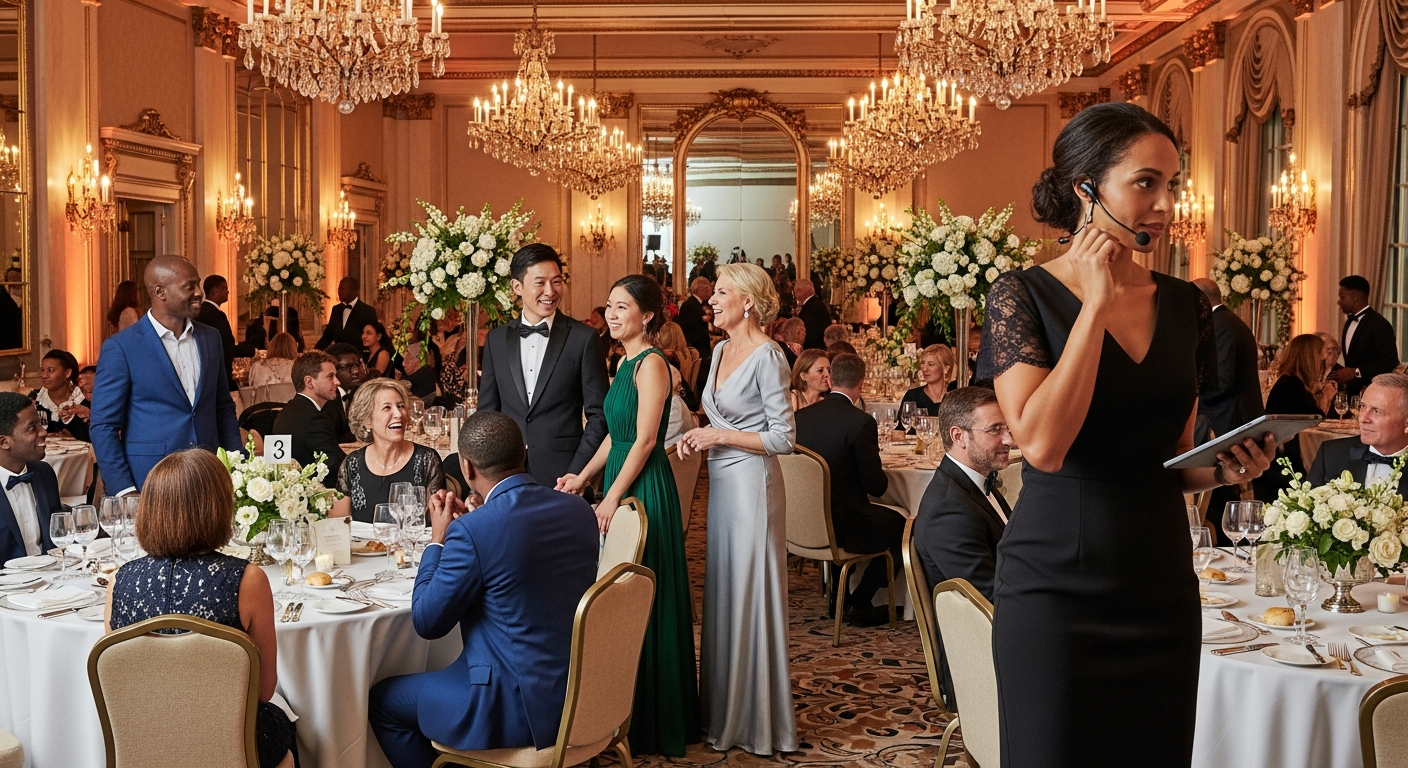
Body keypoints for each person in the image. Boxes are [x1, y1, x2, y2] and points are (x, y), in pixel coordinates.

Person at [979, 103, 1274, 767]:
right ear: (1087, 188)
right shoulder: (1019, 296)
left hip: (1161, 586)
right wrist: (1095, 304)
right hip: (1055, 593)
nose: (1166, 204)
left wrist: (1224, 469)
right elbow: (1044, 447)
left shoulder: (1185, 305)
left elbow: (1166, 462)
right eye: (1146, 183)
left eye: (1173, 184)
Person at [368, 411, 598, 768]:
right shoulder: (579, 510)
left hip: (509, 705)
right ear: (523, 452)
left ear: (467, 468)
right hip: (580, 691)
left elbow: (428, 622)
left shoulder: (473, 531)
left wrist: (439, 541)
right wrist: (478, 520)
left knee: (383, 702)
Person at [556, 275, 700, 756]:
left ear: (648, 316)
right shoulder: (622, 362)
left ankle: (655, 720)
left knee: (642, 593)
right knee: (615, 593)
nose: (612, 315)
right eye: (610, 306)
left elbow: (643, 441)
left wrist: (612, 496)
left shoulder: (654, 364)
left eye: (623, 308)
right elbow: (612, 437)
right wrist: (581, 477)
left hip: (645, 487)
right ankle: (618, 711)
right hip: (620, 475)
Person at [104, 449, 298, 768]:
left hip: (143, 743)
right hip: (232, 746)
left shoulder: (119, 581)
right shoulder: (248, 580)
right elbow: (263, 692)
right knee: (288, 727)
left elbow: (122, 686)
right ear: (221, 508)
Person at [678, 262, 797, 755]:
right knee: (725, 590)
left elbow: (784, 438)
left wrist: (718, 435)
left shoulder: (769, 355)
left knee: (751, 591)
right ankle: (725, 715)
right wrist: (697, 434)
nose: (711, 300)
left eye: (721, 292)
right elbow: (720, 414)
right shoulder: (721, 348)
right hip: (723, 485)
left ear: (748, 301)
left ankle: (760, 723)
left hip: (753, 486)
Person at [91, 255, 242, 494]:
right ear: (160, 292)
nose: (199, 293)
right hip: (150, 480)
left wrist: (238, 465)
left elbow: (222, 406)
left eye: (198, 285)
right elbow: (103, 426)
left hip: (208, 475)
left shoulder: (210, 337)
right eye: (189, 286)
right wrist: (124, 489)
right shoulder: (122, 347)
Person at [913, 386, 1013, 707]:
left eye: (1007, 426)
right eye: (995, 430)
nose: (1009, 439)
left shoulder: (975, 483)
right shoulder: (950, 509)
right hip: (980, 661)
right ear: (959, 436)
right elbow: (990, 602)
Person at [478, 244, 609, 489]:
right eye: (540, 282)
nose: (550, 291)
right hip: (506, 475)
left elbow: (599, 415)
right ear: (517, 287)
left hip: (563, 475)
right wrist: (486, 477)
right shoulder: (496, 340)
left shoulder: (583, 338)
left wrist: (577, 472)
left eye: (556, 282)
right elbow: (487, 414)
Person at [795, 352, 900, 627]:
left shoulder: (799, 418)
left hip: (800, 524)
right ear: (861, 383)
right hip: (843, 526)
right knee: (906, 526)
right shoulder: (860, 422)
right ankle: (859, 601)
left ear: (830, 379)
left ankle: (839, 597)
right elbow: (876, 487)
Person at [1191, 277, 1267, 539]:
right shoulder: (1226, 321)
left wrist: (1187, 394)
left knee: (1226, 488)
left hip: (1227, 419)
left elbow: (1221, 381)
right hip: (1230, 416)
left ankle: (1225, 539)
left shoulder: (1220, 326)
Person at [338, 379, 444, 523]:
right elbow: (341, 526)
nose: (399, 414)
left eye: (401, 406)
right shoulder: (352, 464)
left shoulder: (426, 460)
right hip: (362, 546)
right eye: (387, 408)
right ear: (368, 420)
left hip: (411, 545)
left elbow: (438, 524)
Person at [1252, 334, 1336, 503]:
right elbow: (1316, 417)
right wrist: (1327, 396)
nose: (1324, 358)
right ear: (1310, 355)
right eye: (1321, 353)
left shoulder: (1290, 382)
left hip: (1281, 458)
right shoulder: (1291, 385)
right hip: (1280, 466)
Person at [1308, 373, 1408, 495]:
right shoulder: (1331, 455)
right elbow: (1306, 509)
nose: (1363, 418)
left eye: (1377, 411)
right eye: (1362, 406)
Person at [0, 393, 64, 561]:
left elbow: (56, 538)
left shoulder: (43, 473)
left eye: (40, 423)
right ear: (3, 442)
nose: (43, 432)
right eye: (32, 427)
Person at [271, 351, 347, 480]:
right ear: (310, 382)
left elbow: (274, 463)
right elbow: (339, 466)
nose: (337, 382)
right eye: (330, 376)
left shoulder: (285, 412)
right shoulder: (314, 419)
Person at [1330, 275, 1399, 396]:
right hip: (1351, 392)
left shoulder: (1379, 324)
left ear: (1354, 297)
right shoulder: (1349, 321)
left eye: (1342, 297)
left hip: (1370, 392)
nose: (1338, 301)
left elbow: (1390, 361)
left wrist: (1356, 372)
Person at [198, 275, 257, 389]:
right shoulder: (217, 315)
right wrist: (251, 350)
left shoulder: (199, 311)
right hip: (218, 373)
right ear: (215, 290)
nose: (228, 292)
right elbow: (226, 347)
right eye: (224, 288)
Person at [29, 349, 89, 442]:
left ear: (67, 373)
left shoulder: (84, 397)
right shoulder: (35, 398)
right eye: (42, 370)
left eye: (51, 370)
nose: (44, 375)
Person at [316, 277, 379, 351]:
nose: (339, 291)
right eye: (338, 289)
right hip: (338, 356)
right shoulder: (336, 309)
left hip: (358, 356)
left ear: (354, 291)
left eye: (342, 289)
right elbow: (327, 337)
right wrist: (313, 352)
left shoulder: (367, 311)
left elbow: (372, 338)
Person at [676, 277, 714, 388]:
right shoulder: (690, 304)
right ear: (701, 289)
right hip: (696, 348)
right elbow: (690, 327)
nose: (711, 291)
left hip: (700, 347)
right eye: (709, 288)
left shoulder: (698, 304)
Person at [901, 344, 954, 416]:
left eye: (931, 364)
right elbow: (902, 425)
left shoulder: (955, 397)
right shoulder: (912, 396)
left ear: (946, 369)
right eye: (923, 363)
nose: (924, 369)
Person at [794, 279, 832, 350]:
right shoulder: (817, 304)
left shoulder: (810, 308)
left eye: (795, 292)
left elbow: (809, 334)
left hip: (813, 351)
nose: (795, 296)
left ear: (800, 291)